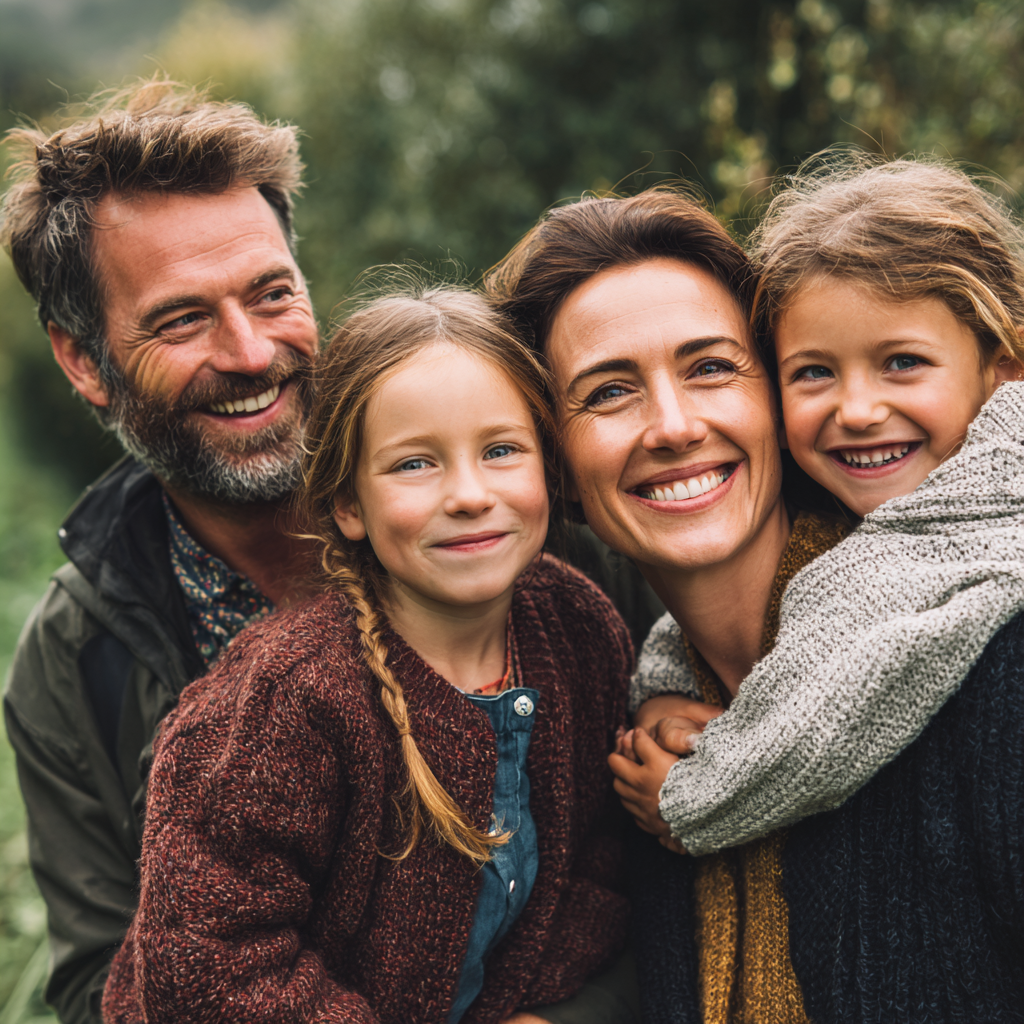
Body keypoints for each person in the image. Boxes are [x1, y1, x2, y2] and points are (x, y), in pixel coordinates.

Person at [486, 175, 1024, 1023]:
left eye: (709, 367)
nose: (672, 425)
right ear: (551, 463)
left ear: (767, 396)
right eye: (609, 390)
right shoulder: (628, 733)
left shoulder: (986, 649)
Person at [100, 284, 635, 1024]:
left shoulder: (577, 629)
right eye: (415, 464)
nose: (470, 493)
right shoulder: (287, 699)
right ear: (349, 503)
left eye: (502, 450)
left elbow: (598, 865)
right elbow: (213, 965)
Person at [1, 78, 318, 1023]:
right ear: (84, 361)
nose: (252, 352)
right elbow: (98, 986)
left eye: (273, 294)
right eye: (182, 320)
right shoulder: (71, 662)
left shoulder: (499, 509)